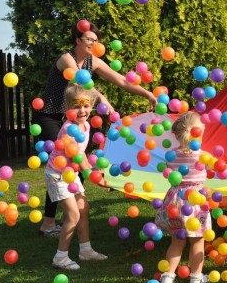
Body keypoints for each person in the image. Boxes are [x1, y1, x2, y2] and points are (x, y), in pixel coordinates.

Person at [35, 21, 158, 236]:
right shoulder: (66, 59)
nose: (93, 43)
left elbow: (121, 80)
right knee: (62, 162)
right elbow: (81, 82)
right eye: (89, 39)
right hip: (50, 115)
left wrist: (147, 94)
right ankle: (49, 222)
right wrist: (101, 98)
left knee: (75, 164)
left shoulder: (93, 61)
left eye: (96, 40)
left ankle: (71, 216)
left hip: (72, 119)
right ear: (78, 40)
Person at [155, 112, 227, 283]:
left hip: (175, 202)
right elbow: (220, 168)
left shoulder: (171, 155)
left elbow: (170, 170)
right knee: (198, 241)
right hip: (196, 202)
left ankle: (167, 278)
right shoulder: (202, 156)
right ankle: (196, 279)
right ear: (198, 133)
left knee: (177, 242)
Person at [47, 84, 107, 270]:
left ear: (92, 106)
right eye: (76, 106)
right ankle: (60, 257)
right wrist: (96, 178)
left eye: (86, 106)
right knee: (72, 215)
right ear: (66, 108)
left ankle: (86, 251)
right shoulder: (68, 129)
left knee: (83, 209)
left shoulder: (85, 126)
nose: (82, 111)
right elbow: (76, 158)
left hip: (70, 173)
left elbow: (82, 155)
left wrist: (94, 171)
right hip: (57, 174)